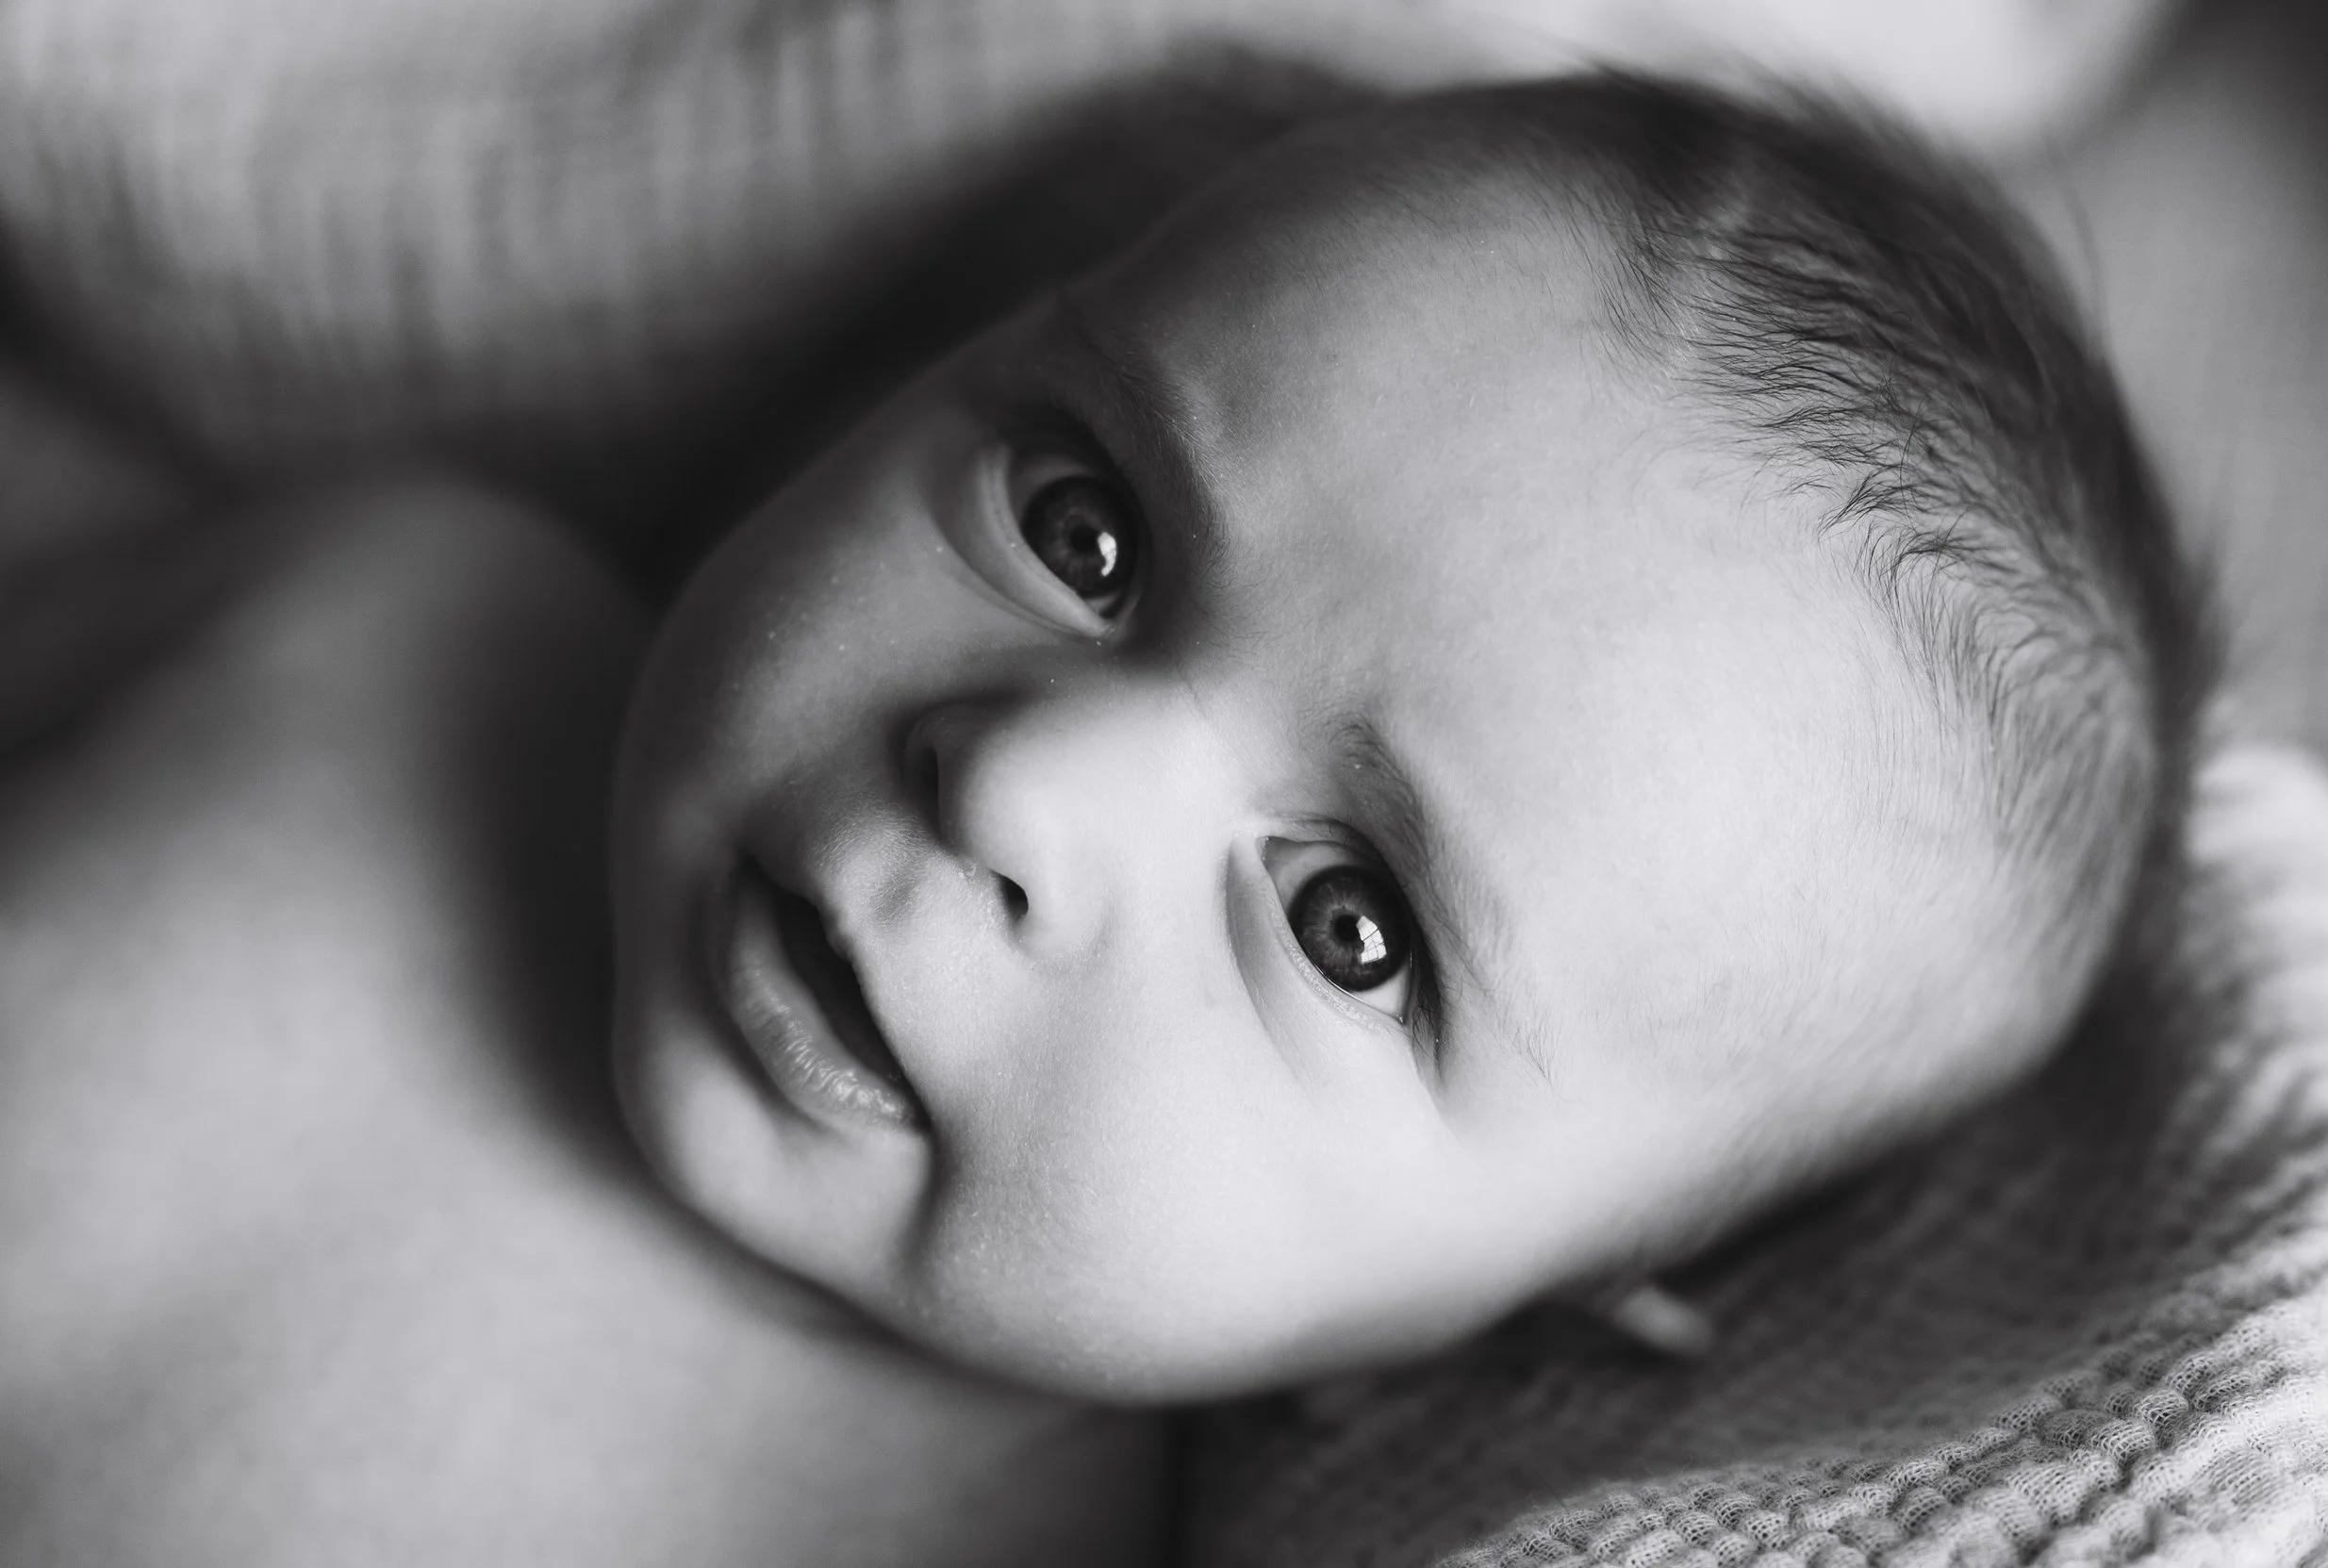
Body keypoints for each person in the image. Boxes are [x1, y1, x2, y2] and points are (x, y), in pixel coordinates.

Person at [0, 74, 2197, 1560]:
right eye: (1086, 525)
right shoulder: (389, 635)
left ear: (1520, 1320)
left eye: (1348, 929)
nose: (1025, 777)